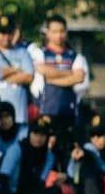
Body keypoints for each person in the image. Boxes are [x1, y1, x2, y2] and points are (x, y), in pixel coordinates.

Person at [28, 14, 90, 164]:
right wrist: (69, 75)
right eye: (54, 31)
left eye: (62, 31)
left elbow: (80, 78)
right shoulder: (39, 53)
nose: (59, 35)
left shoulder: (75, 56)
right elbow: (41, 69)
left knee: (67, 157)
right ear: (47, 33)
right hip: (45, 113)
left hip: (69, 116)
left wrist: (51, 77)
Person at [0, 15, 35, 137]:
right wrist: (16, 70)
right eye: (2, 32)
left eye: (9, 33)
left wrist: (2, 75)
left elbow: (28, 77)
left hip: (19, 116)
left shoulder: (22, 52)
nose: (6, 37)